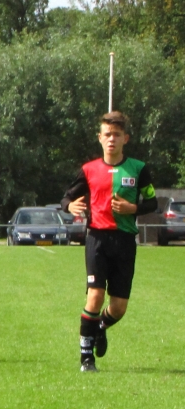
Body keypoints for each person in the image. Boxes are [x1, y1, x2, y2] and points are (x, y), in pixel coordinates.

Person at [61, 111, 157, 372]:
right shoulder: (89, 170)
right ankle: (86, 359)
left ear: (125, 138)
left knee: (119, 307)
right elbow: (66, 199)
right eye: (107, 135)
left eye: (116, 135)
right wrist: (71, 206)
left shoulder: (138, 169)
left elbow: (152, 202)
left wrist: (131, 208)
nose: (111, 139)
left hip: (125, 241)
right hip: (97, 240)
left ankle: (100, 327)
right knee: (95, 296)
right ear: (99, 138)